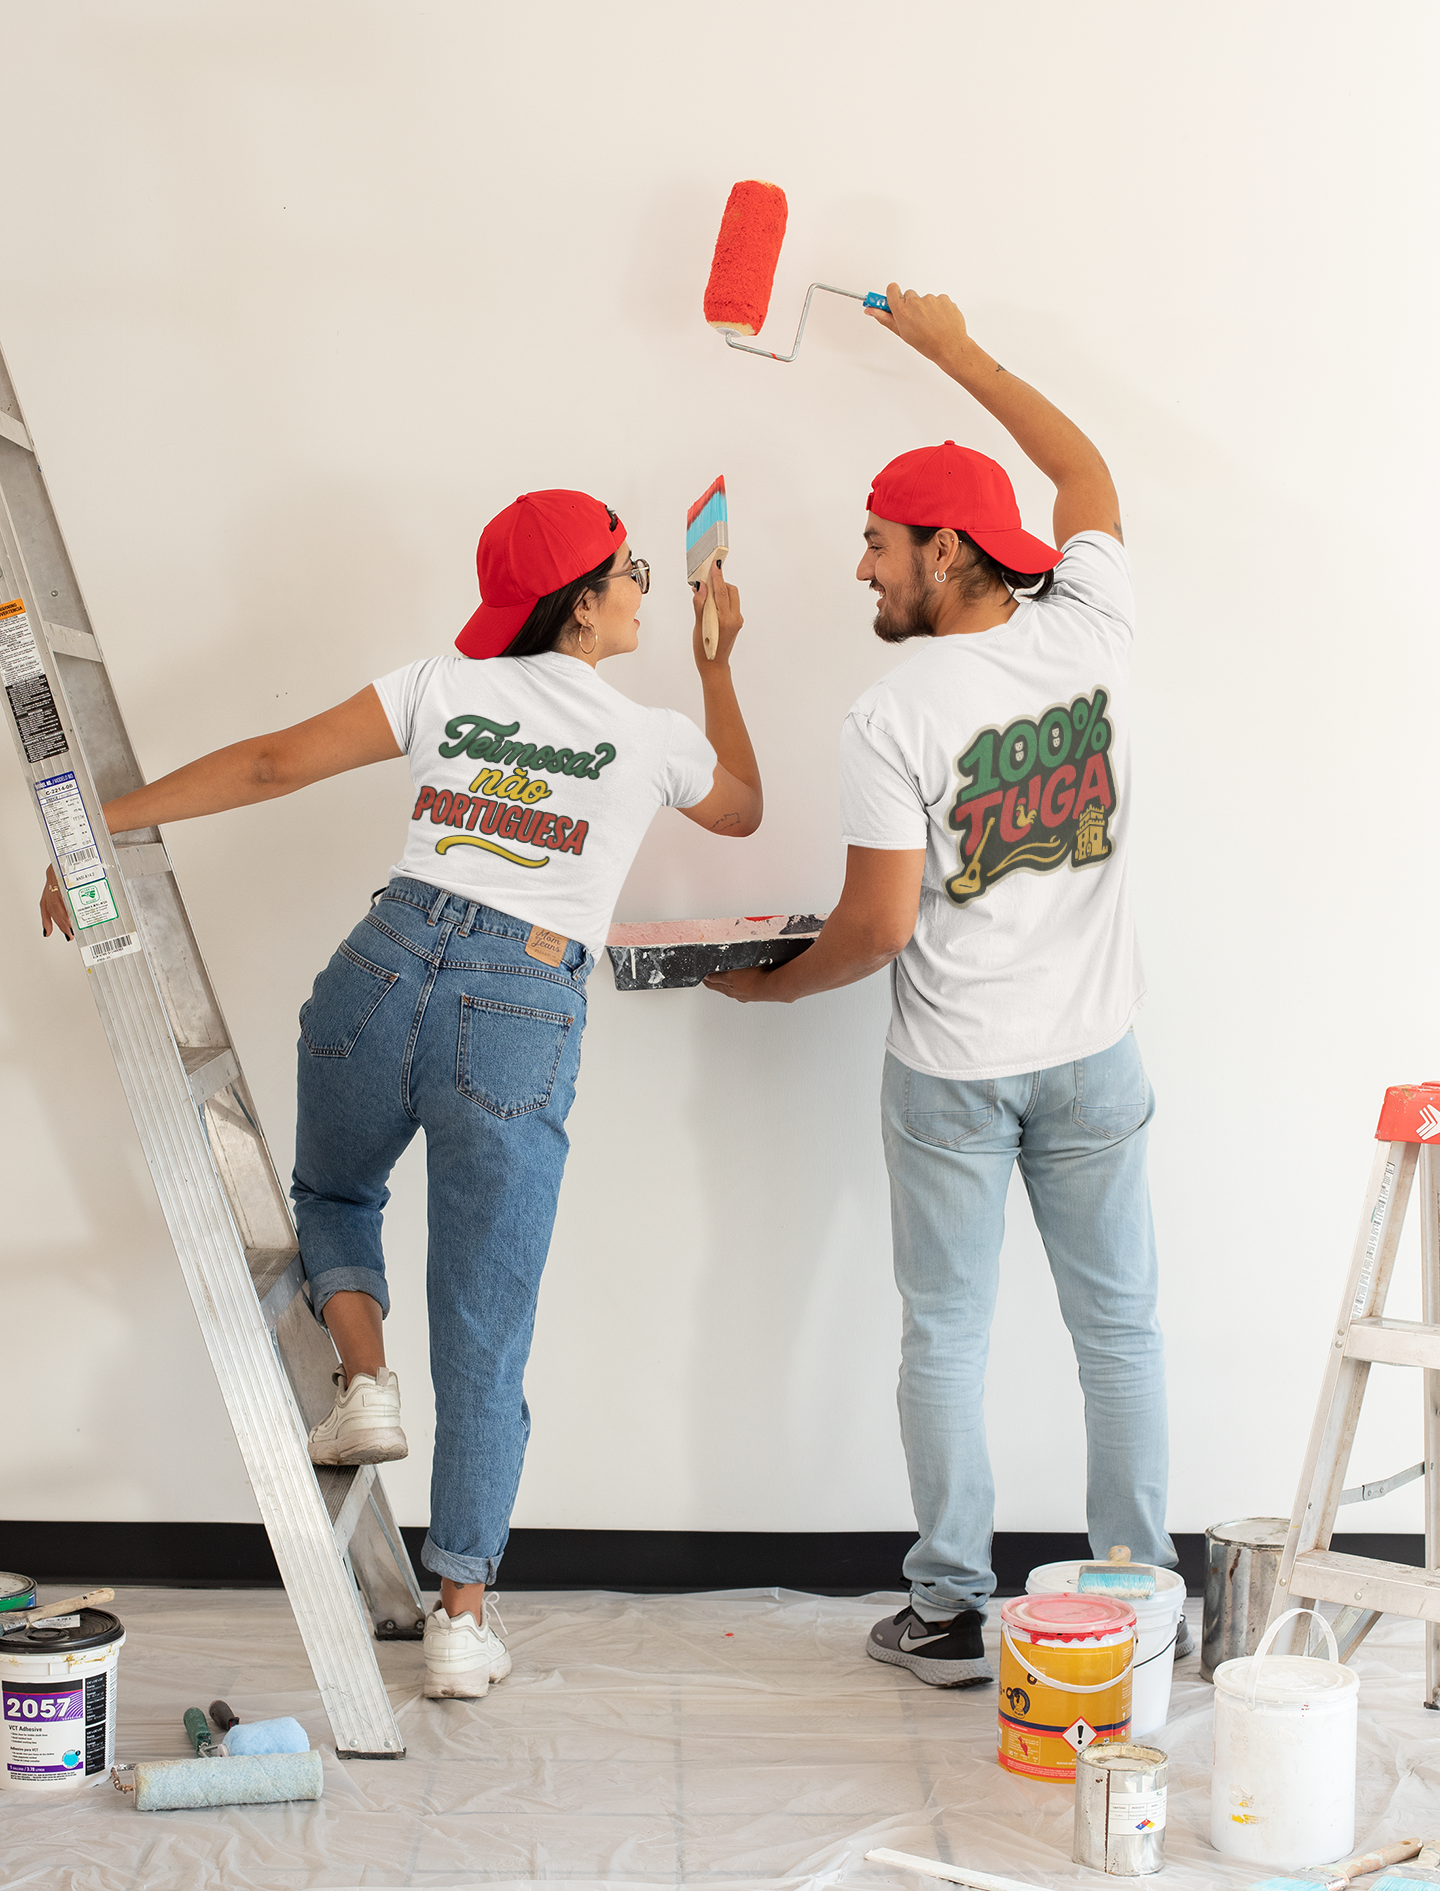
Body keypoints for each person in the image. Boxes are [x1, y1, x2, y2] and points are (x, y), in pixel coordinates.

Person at [41, 490, 761, 1700]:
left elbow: (269, 764)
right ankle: (461, 1622)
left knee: (332, 1194)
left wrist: (96, 831)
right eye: (630, 569)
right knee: (484, 1329)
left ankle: (364, 1382)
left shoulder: (441, 685)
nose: (642, 585)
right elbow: (743, 808)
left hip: (383, 965)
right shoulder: (656, 738)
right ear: (584, 605)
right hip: (522, 1004)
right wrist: (718, 662)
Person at [707, 286, 1179, 1687]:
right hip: (1095, 1053)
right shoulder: (1092, 625)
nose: (860, 567)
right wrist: (954, 350)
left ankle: (953, 1612)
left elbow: (874, 929)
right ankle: (1144, 1597)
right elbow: (1084, 472)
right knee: (1119, 1334)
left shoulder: (895, 713)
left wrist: (770, 992)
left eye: (879, 542)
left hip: (957, 1076)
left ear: (948, 549)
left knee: (948, 1341)